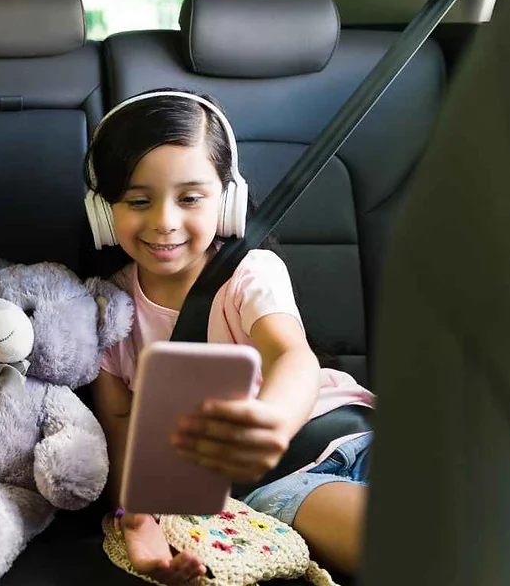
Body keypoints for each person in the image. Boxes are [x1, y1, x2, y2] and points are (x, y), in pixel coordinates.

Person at [86, 89, 375, 584]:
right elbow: (120, 432)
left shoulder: (251, 273)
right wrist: (138, 517)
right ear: (102, 210)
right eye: (138, 201)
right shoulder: (108, 312)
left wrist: (271, 423)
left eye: (190, 198)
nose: (164, 222)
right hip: (284, 482)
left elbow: (292, 356)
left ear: (229, 200)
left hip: (355, 432)